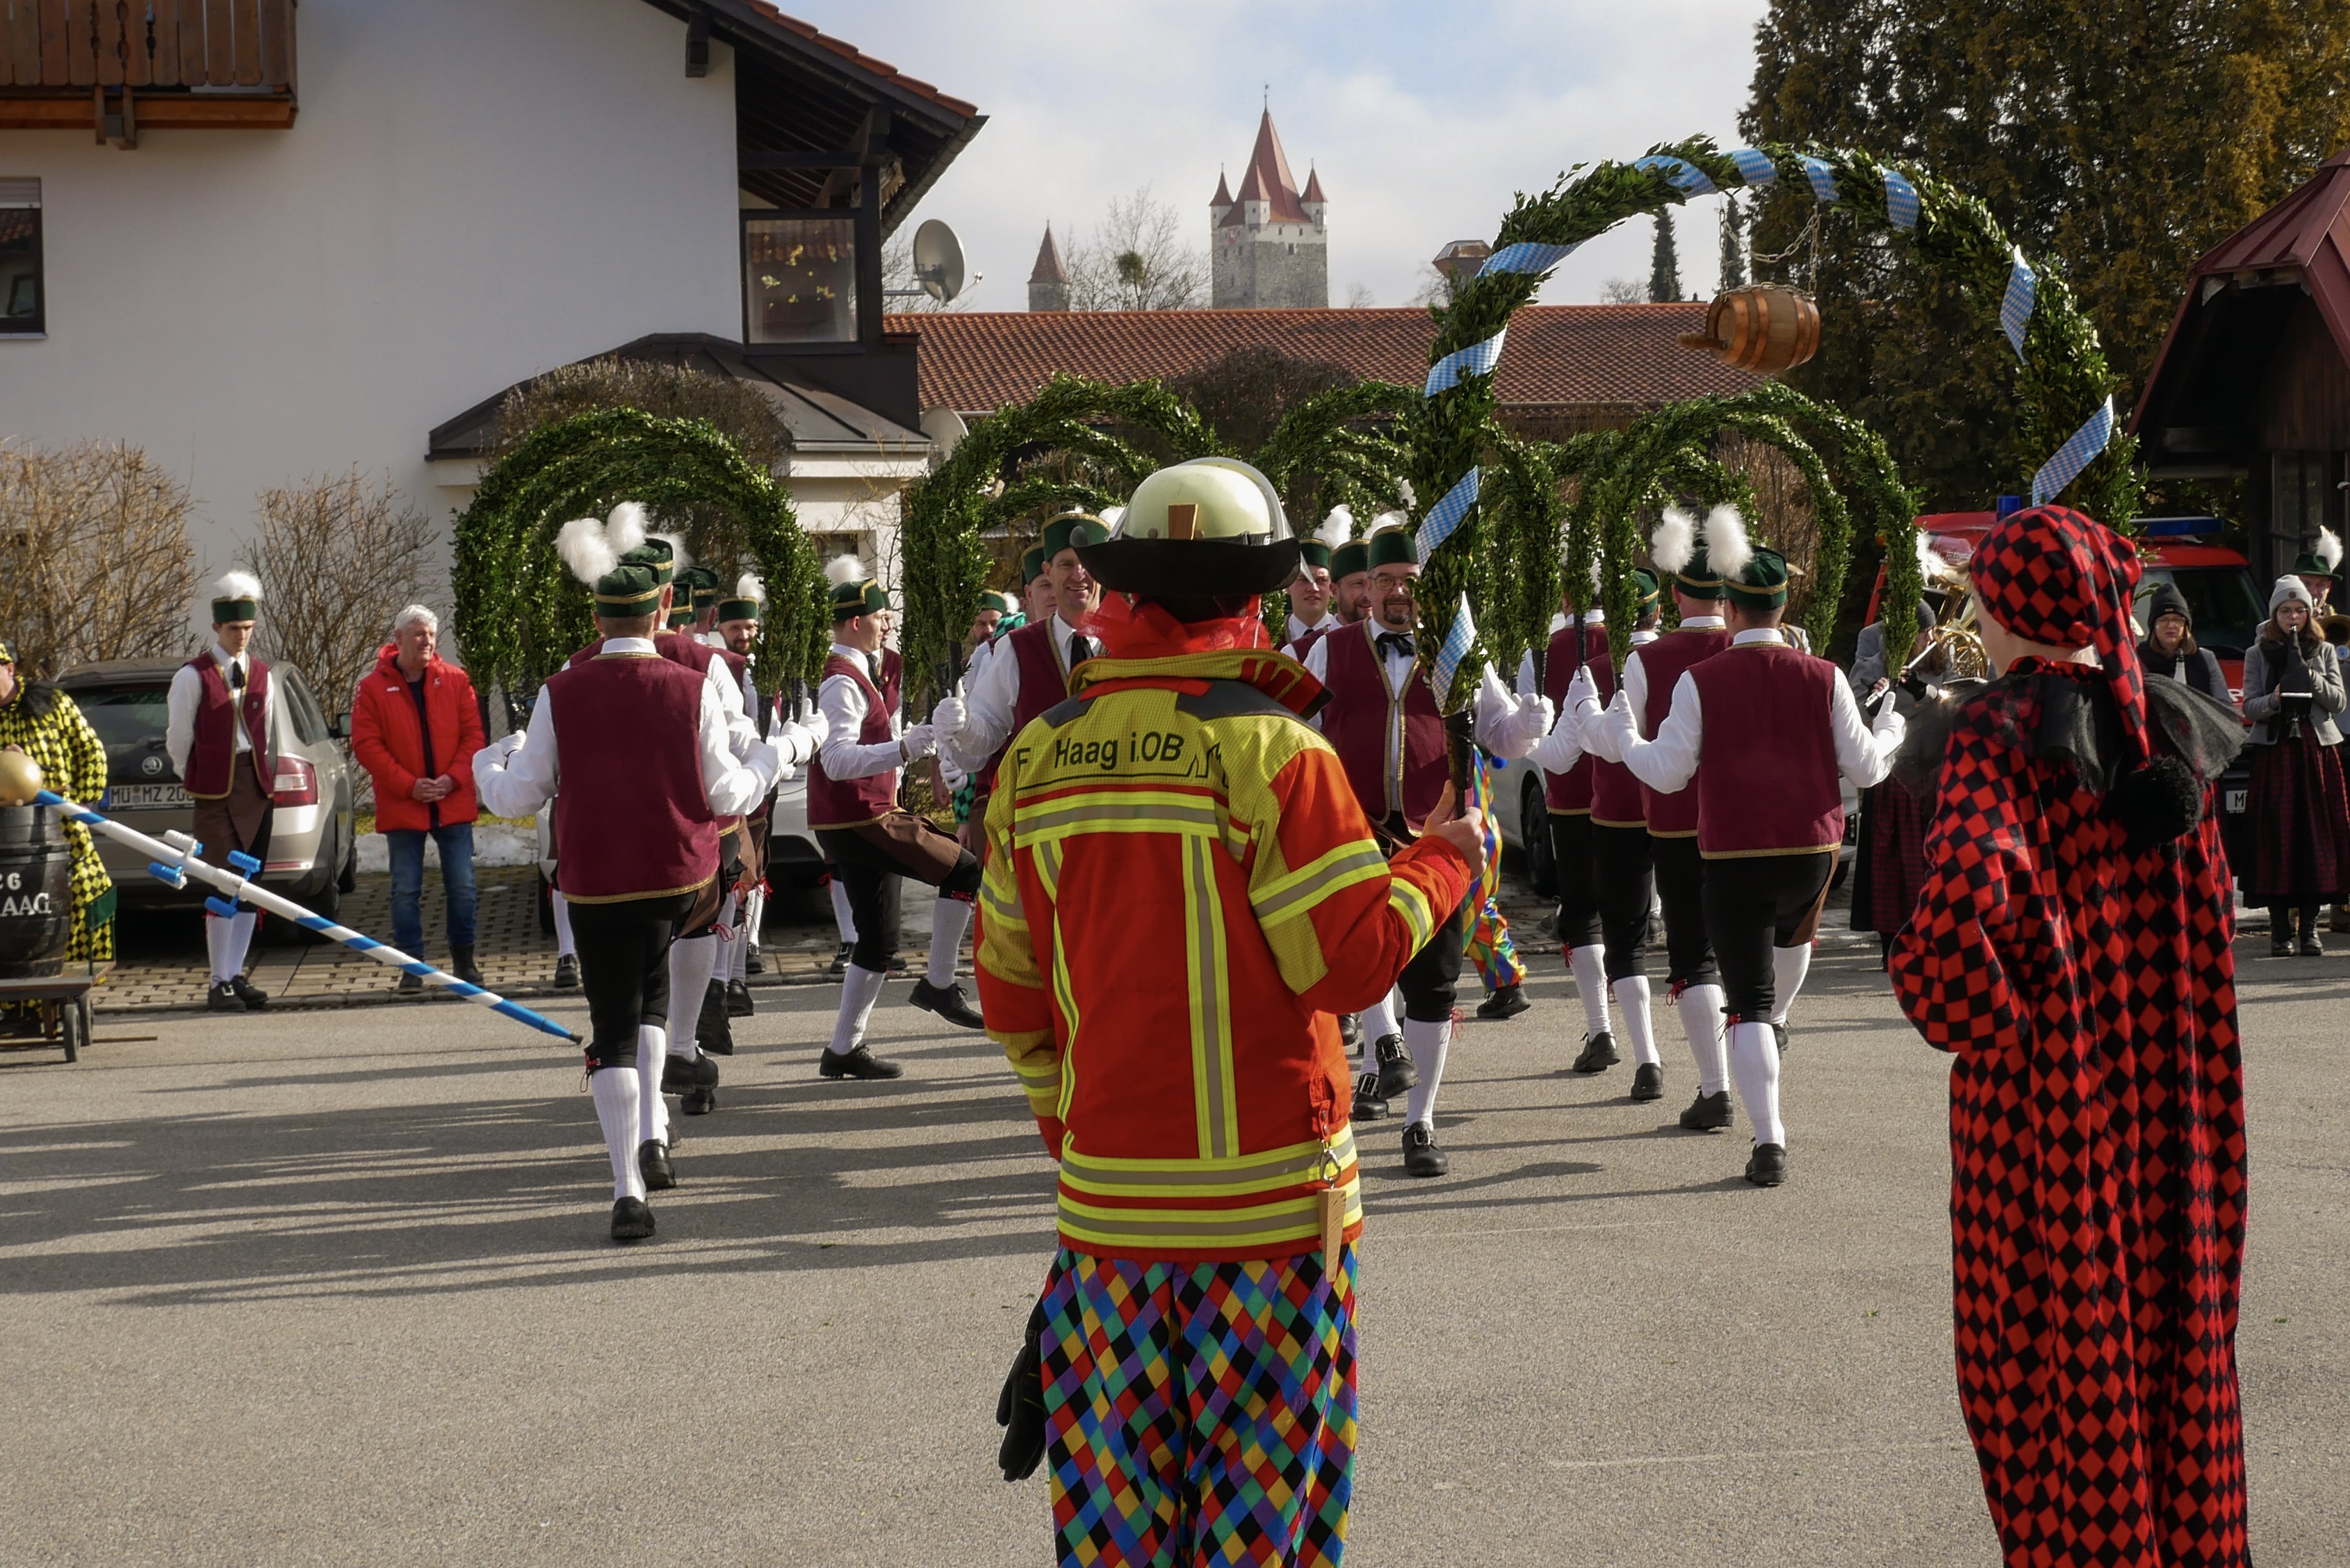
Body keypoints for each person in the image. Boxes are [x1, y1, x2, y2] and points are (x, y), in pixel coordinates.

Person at [975, 455, 1483, 1568]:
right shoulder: (1274, 750)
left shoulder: (1040, 760)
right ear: (1254, 598)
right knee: (1260, 1521)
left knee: (1116, 1520)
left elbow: (1008, 990)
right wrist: (1445, 867)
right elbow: (1346, 965)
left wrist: (1075, 1133)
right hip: (1268, 1216)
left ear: (1125, 596)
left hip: (1109, 1218)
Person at [1889, 503, 2250, 1568]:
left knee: (2048, 1368)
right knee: (2170, 1346)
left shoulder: (1999, 737)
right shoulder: (2166, 728)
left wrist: (1997, 1029)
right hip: (2177, 1104)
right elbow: (2218, 918)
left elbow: (1954, 924)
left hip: (2049, 1117)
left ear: (2011, 610)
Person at [1587, 507, 1905, 1187]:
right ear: (1783, 605)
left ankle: (1770, 1139)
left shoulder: (1701, 680)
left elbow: (1668, 771)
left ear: (1730, 607)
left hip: (1732, 855)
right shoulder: (1825, 675)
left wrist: (1626, 743)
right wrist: (1894, 729)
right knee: (1785, 963)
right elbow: (1870, 772)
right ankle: (1773, 1028)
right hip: (1813, 853)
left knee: (1748, 1001)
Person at [475, 551, 780, 1243]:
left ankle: (629, 1188)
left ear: (596, 619)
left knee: (615, 1027)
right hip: (675, 877)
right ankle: (651, 1141)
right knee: (652, 1005)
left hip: (596, 882)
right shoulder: (692, 684)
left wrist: (483, 766)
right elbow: (727, 794)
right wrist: (777, 756)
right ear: (661, 608)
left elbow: (522, 794)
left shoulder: (562, 688)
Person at [1299, 523, 1548, 1175]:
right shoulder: (1331, 651)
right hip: (1356, 835)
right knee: (1362, 956)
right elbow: (1296, 728)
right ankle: (1381, 1051)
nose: (1397, 594)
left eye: (1410, 582)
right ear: (1367, 590)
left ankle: (1422, 1123)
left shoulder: (1458, 652)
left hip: (1439, 838)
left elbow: (1506, 735)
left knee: (1435, 985)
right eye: (1385, 582)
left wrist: (1532, 715)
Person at [1579, 512, 1732, 1133]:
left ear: (1674, 593)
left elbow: (1618, 745)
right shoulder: (1787, 647)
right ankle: (1763, 1035)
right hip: (1745, 825)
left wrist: (1589, 717)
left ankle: (1692, 1074)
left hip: (1666, 820)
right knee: (1740, 951)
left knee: (1685, 955)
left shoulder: (1646, 659)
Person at [809, 557, 986, 1077]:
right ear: (854, 621)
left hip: (857, 818)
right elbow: (837, 761)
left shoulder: (870, 667)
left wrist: (928, 741)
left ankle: (842, 1050)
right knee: (965, 869)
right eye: (882, 615)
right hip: (861, 817)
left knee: (877, 940)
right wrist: (904, 748)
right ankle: (937, 984)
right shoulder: (841, 679)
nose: (888, 623)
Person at [1524, 569, 1667, 1097]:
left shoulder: (1546, 651)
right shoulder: (1658, 649)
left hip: (1577, 798)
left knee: (1583, 915)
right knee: (1630, 922)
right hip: (1648, 797)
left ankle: (1601, 1030)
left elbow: (1539, 735)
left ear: (1566, 594)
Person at [350, 605, 487, 988]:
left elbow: (474, 736)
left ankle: (465, 963)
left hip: (452, 799)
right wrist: (409, 785)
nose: (426, 641)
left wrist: (451, 779)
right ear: (398, 639)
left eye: (430, 635)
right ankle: (412, 967)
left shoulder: (456, 680)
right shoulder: (372, 688)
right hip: (403, 803)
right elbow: (366, 745)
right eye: (418, 634)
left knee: (462, 885)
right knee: (404, 890)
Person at [935, 512, 1109, 800]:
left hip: (1115, 814)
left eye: (1087, 563)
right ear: (1047, 570)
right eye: (1066, 564)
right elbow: (986, 738)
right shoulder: (1017, 648)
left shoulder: (1132, 643)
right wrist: (963, 728)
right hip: (1042, 816)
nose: (1079, 574)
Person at [165, 571, 277, 1013]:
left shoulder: (263, 673)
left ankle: (234, 974)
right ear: (217, 628)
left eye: (248, 629)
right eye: (234, 630)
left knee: (251, 886)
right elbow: (178, 737)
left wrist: (261, 775)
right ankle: (217, 980)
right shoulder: (192, 676)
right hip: (215, 789)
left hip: (256, 785)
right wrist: (196, 776)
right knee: (220, 880)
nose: (242, 637)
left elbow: (264, 730)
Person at [2238, 575, 2350, 956]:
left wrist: (2311, 675)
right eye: (2286, 611)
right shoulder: (2257, 652)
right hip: (2277, 751)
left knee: (2315, 839)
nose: (2293, 617)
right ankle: (2280, 930)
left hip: (2316, 752)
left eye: (2299, 610)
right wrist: (2274, 697)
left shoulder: (2324, 649)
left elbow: (2338, 703)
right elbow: (2248, 706)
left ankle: (2309, 930)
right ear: (2275, 614)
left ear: (2308, 613)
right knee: (2278, 838)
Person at [0, 640, 114, 987]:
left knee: (88, 890)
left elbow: (90, 752)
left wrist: (83, 800)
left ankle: (70, 987)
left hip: (62, 827)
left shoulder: (54, 704)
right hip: (6, 840)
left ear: (10, 669)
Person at [1847, 598, 1944, 963]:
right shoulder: (1869, 667)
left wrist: (1926, 692)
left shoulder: (1939, 659)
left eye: (1930, 630)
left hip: (1929, 771)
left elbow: (1955, 704)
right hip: (1891, 774)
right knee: (1889, 864)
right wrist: (1874, 703)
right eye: (1922, 632)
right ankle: (1893, 944)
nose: (1929, 638)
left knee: (1925, 859)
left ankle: (1930, 937)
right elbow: (1855, 713)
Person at [2139, 581, 2229, 705]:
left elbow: (2224, 705)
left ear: (2186, 625)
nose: (2171, 626)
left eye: (2177, 619)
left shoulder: (2205, 658)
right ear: (2154, 626)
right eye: (2164, 620)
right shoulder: (2139, 659)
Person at [1284, 505, 1348, 644]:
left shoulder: (1347, 637)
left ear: (1333, 588)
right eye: (1304, 580)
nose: (1313, 588)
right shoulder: (1270, 636)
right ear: (1287, 586)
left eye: (1321, 580)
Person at [1019, 544, 1056, 627]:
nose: (1055, 594)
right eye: (1046, 585)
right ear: (1029, 593)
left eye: (1059, 584)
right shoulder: (1014, 640)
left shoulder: (1088, 638)